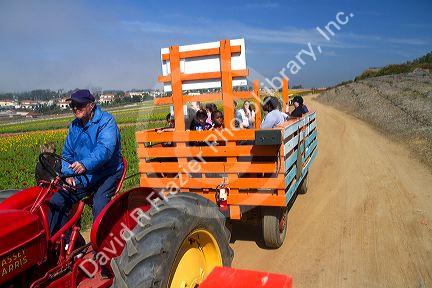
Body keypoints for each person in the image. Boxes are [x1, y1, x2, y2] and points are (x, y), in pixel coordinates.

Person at [48, 89, 124, 240]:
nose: (76, 109)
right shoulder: (74, 126)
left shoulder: (106, 121)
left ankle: (101, 248)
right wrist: (67, 175)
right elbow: (67, 154)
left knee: (99, 205)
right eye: (73, 106)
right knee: (56, 201)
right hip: (83, 174)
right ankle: (66, 243)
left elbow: (105, 149)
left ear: (91, 105)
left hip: (107, 172)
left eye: (80, 105)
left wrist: (84, 164)